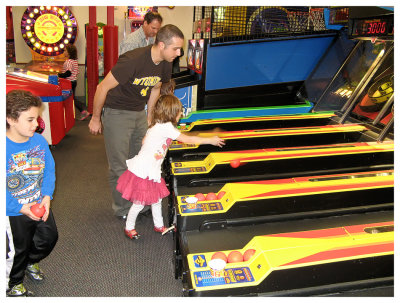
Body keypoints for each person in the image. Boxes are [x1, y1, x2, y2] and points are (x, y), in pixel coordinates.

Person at [88, 24, 184, 220]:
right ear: (162, 45)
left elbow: (155, 88)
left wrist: (149, 116)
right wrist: (96, 118)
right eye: (175, 48)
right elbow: (102, 88)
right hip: (117, 113)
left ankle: (141, 201)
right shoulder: (132, 60)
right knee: (119, 165)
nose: (179, 53)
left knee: (143, 161)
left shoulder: (165, 62)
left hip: (139, 112)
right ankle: (123, 209)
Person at [117, 95, 225, 239]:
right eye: (179, 112)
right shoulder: (165, 127)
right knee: (139, 203)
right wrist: (210, 140)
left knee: (156, 200)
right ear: (172, 113)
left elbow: (144, 141)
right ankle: (129, 227)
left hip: (150, 169)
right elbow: (188, 139)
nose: (181, 114)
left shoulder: (157, 125)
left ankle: (159, 225)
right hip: (144, 171)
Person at [6, 90, 58, 297]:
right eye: (29, 119)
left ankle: (30, 261)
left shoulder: (38, 141)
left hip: (38, 202)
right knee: (17, 249)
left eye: (36, 118)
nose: (36, 124)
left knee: (49, 237)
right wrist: (18, 207)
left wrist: (47, 196)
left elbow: (49, 169)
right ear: (10, 119)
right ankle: (14, 282)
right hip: (14, 210)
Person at [58, 44, 90, 120]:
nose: (64, 52)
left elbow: (68, 73)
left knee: (71, 99)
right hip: (73, 82)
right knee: (72, 98)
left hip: (68, 83)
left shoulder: (68, 61)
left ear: (69, 52)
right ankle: (74, 114)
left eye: (65, 50)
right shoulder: (74, 61)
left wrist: (58, 75)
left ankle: (83, 110)